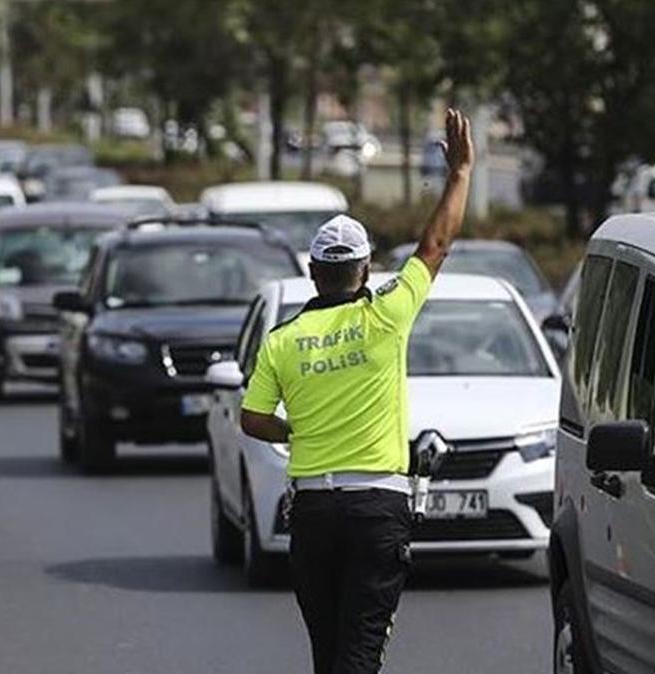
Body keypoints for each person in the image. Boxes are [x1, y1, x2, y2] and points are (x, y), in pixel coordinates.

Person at [240, 108, 474, 674]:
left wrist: (295, 428)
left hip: (314, 512)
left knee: (330, 655)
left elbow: (252, 419)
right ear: (365, 271)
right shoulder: (387, 316)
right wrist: (460, 172)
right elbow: (436, 244)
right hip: (377, 509)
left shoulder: (283, 340)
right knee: (360, 653)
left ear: (314, 273)